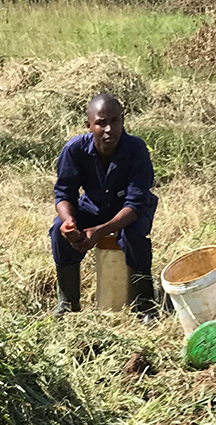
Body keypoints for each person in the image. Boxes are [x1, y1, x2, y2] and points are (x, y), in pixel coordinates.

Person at [50, 93, 158, 318]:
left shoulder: (136, 149)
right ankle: (69, 302)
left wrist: (98, 232)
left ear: (123, 120)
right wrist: (70, 223)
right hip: (93, 207)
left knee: (133, 236)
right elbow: (64, 194)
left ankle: (145, 303)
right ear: (88, 125)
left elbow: (135, 204)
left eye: (115, 121)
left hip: (130, 212)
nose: (109, 128)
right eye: (101, 122)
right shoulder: (75, 150)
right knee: (58, 229)